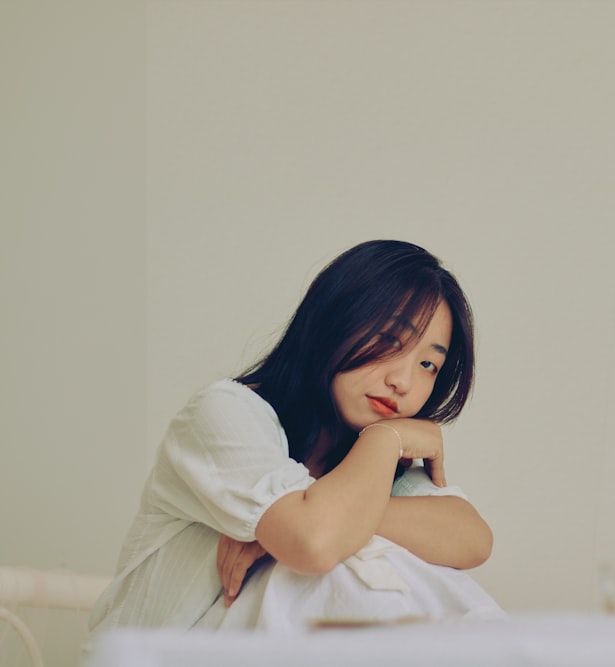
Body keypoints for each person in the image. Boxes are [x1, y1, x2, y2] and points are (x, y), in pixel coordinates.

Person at [88, 240, 503, 635]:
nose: (404, 381)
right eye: (390, 340)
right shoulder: (223, 412)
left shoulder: (367, 460)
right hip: (150, 655)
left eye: (429, 364)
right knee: (328, 569)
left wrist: (328, 514)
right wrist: (384, 444)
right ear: (335, 320)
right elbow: (316, 543)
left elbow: (471, 539)